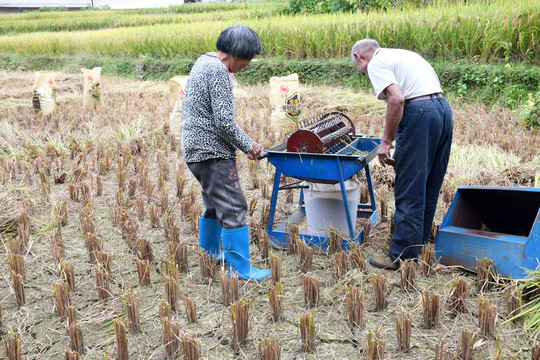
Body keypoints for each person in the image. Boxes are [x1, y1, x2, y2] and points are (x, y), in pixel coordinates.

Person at [350, 39, 453, 270]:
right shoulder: (402, 54)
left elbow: (396, 99)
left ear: (359, 57)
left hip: (419, 114)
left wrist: (385, 142)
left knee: (409, 187)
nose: (366, 76)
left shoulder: (376, 63)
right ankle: (419, 244)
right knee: (428, 184)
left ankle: (401, 256)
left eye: (362, 73)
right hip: (443, 111)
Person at [181, 24, 270, 281]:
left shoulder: (204, 60)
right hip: (212, 151)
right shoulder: (219, 71)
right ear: (235, 53)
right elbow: (224, 121)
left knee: (214, 203)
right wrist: (249, 145)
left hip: (196, 150)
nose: (248, 64)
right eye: (247, 58)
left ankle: (210, 253)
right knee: (233, 207)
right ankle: (240, 267)